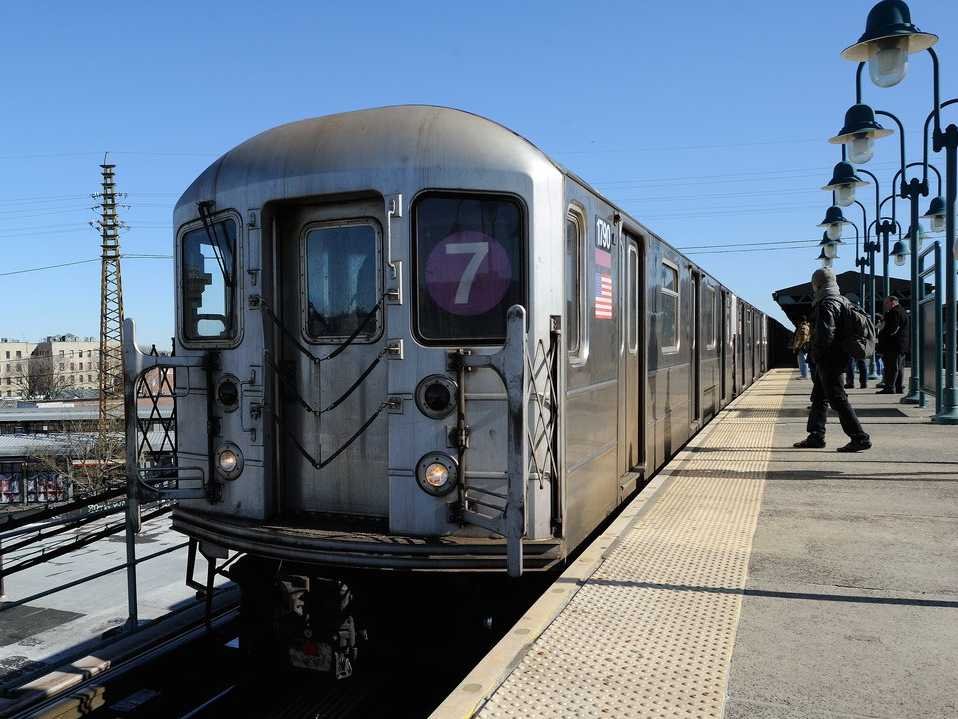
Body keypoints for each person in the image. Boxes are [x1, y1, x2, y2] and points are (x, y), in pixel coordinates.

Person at [793, 267, 871, 452]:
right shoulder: (842, 300)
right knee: (819, 398)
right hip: (835, 357)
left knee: (837, 399)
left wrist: (815, 355)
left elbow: (825, 334)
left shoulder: (827, 303)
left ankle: (860, 437)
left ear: (817, 284)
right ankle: (816, 436)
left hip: (830, 359)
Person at [877, 295, 908, 394]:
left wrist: (883, 332)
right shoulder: (903, 311)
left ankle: (890, 387)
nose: (885, 305)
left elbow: (894, 328)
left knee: (891, 367)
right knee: (899, 367)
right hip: (901, 345)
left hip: (893, 345)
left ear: (893, 302)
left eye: (886, 303)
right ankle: (898, 387)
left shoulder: (895, 312)